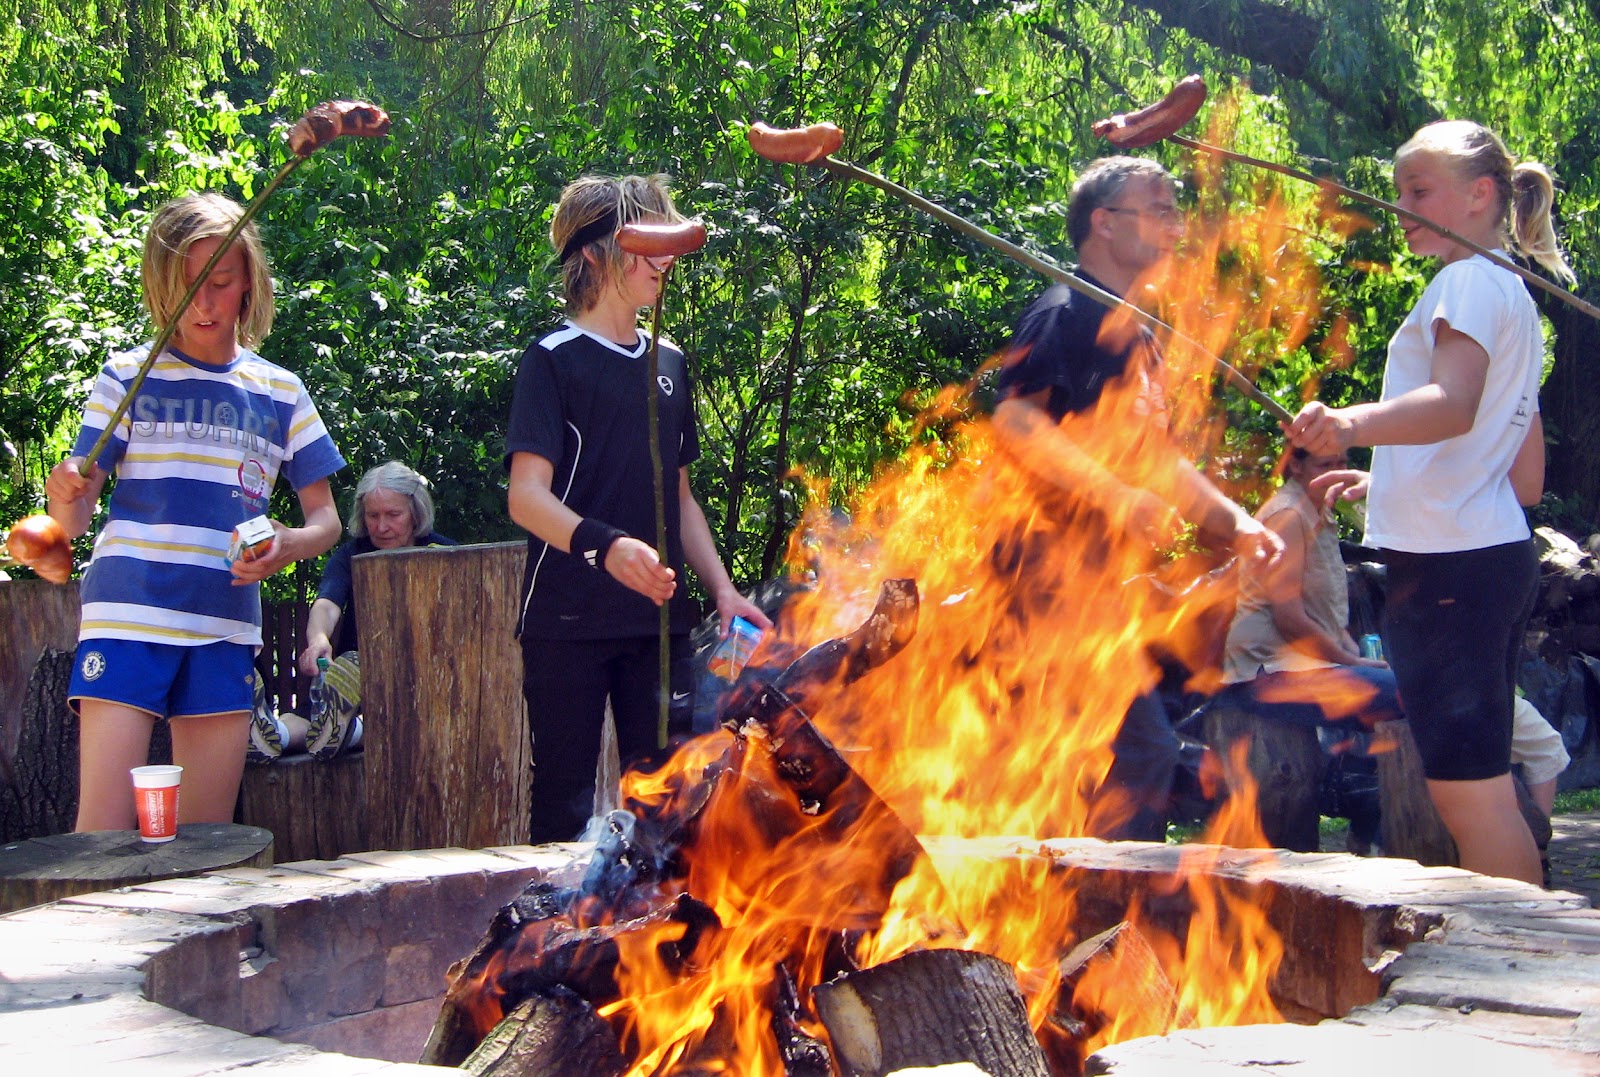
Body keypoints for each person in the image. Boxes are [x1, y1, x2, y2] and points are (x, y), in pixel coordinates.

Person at [1286, 119, 1575, 885]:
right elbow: (1522, 479)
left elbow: (1451, 404)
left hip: (1451, 575)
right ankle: (1523, 940)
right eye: (1398, 192)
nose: (1402, 208)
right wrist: (1389, 480)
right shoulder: (1511, 293)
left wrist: (1347, 424)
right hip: (1490, 560)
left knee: (1470, 799)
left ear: (1479, 196)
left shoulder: (1466, 282)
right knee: (1482, 791)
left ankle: (1518, 946)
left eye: (1419, 191)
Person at [990, 155, 1285, 842]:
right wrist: (1115, 494)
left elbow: (1160, 460)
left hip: (1099, 590)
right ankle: (1080, 898)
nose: (1175, 226)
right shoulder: (1066, 311)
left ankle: (1077, 897)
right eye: (1158, 211)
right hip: (1042, 581)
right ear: (1104, 222)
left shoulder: (1139, 333)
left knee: (1109, 758)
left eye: (1175, 212)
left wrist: (1239, 524)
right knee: (1115, 754)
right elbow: (1016, 420)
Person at [45, 192, 345, 831]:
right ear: (160, 285)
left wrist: (289, 544)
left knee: (208, 839)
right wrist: (64, 495)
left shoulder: (281, 391)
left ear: (250, 282)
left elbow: (327, 522)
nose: (203, 303)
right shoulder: (126, 376)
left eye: (221, 282)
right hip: (127, 616)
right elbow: (70, 523)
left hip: (225, 623)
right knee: (102, 833)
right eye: (185, 286)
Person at [505, 174, 772, 843]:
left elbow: (680, 496)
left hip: (657, 622)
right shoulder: (552, 361)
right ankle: (556, 912)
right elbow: (526, 497)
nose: (666, 258)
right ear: (594, 254)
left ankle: (663, 914)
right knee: (563, 801)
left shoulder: (670, 362)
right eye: (646, 243)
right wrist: (606, 546)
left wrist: (723, 589)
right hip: (566, 620)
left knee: (668, 805)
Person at [248, 461, 456, 761]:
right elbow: (327, 603)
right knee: (309, 718)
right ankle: (272, 734)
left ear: (416, 512)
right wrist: (319, 639)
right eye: (373, 515)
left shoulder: (446, 554)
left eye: (393, 515)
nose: (381, 526)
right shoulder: (351, 554)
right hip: (351, 682)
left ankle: (345, 729)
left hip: (422, 681)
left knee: (396, 719)